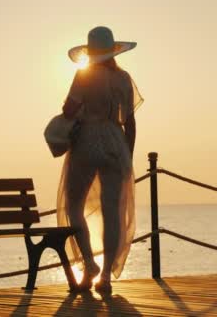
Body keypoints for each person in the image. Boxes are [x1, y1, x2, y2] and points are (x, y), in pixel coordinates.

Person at [57, 26, 143, 295]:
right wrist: (128, 154)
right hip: (116, 142)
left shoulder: (84, 75)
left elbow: (69, 109)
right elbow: (129, 121)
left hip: (87, 141)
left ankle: (90, 264)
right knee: (112, 209)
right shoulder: (123, 78)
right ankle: (105, 276)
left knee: (74, 204)